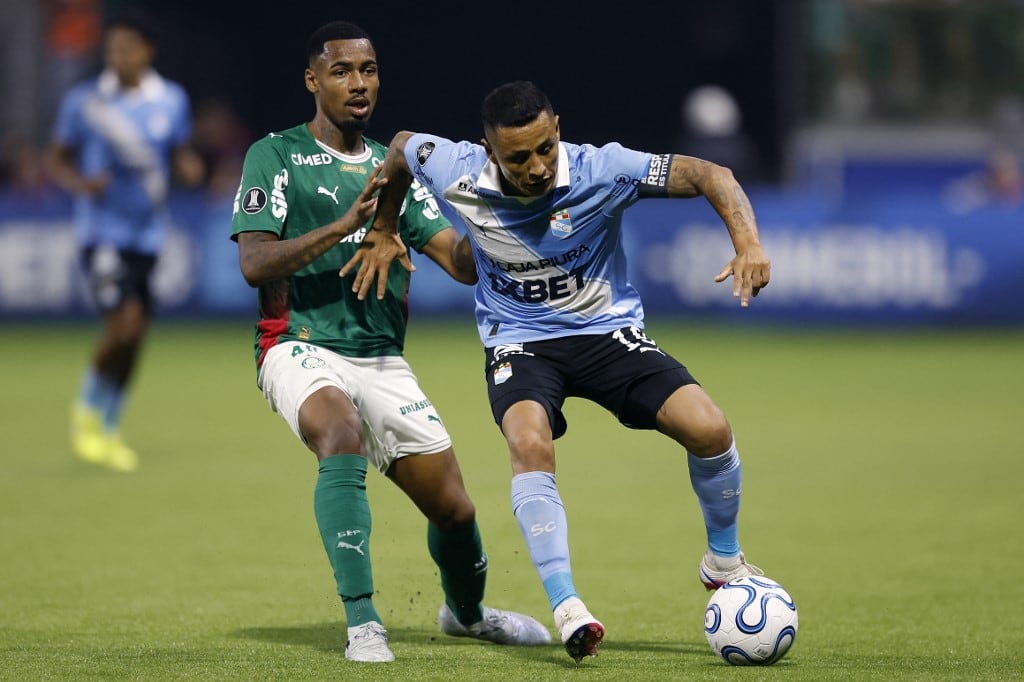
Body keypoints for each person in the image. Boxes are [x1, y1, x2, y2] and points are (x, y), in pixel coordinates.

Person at [348, 80, 771, 664]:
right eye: (518, 157)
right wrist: (385, 226)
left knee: (710, 429)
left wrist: (748, 243)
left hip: (606, 335)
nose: (537, 167)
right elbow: (398, 148)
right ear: (488, 152)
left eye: (545, 148)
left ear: (557, 130)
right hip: (520, 343)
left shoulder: (606, 169)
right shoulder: (454, 167)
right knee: (529, 442)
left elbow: (711, 175)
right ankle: (567, 603)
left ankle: (723, 559)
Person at [229, 23, 550, 664]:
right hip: (298, 342)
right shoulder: (276, 155)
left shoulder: (393, 172)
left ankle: (467, 615)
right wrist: (347, 226)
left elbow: (459, 263)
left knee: (455, 511)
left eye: (369, 70)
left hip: (380, 356)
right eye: (343, 70)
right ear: (312, 80)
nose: (359, 83)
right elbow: (256, 264)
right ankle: (363, 622)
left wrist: (503, 201)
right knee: (339, 433)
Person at [46, 10, 204, 472]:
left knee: (137, 338)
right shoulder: (86, 102)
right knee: (125, 324)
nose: (117, 56)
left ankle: (109, 425)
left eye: (126, 48)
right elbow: (56, 158)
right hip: (101, 232)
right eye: (111, 48)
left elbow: (178, 154)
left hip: (149, 234)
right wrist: (78, 183)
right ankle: (86, 410)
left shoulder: (170, 100)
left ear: (147, 51)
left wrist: (189, 168)